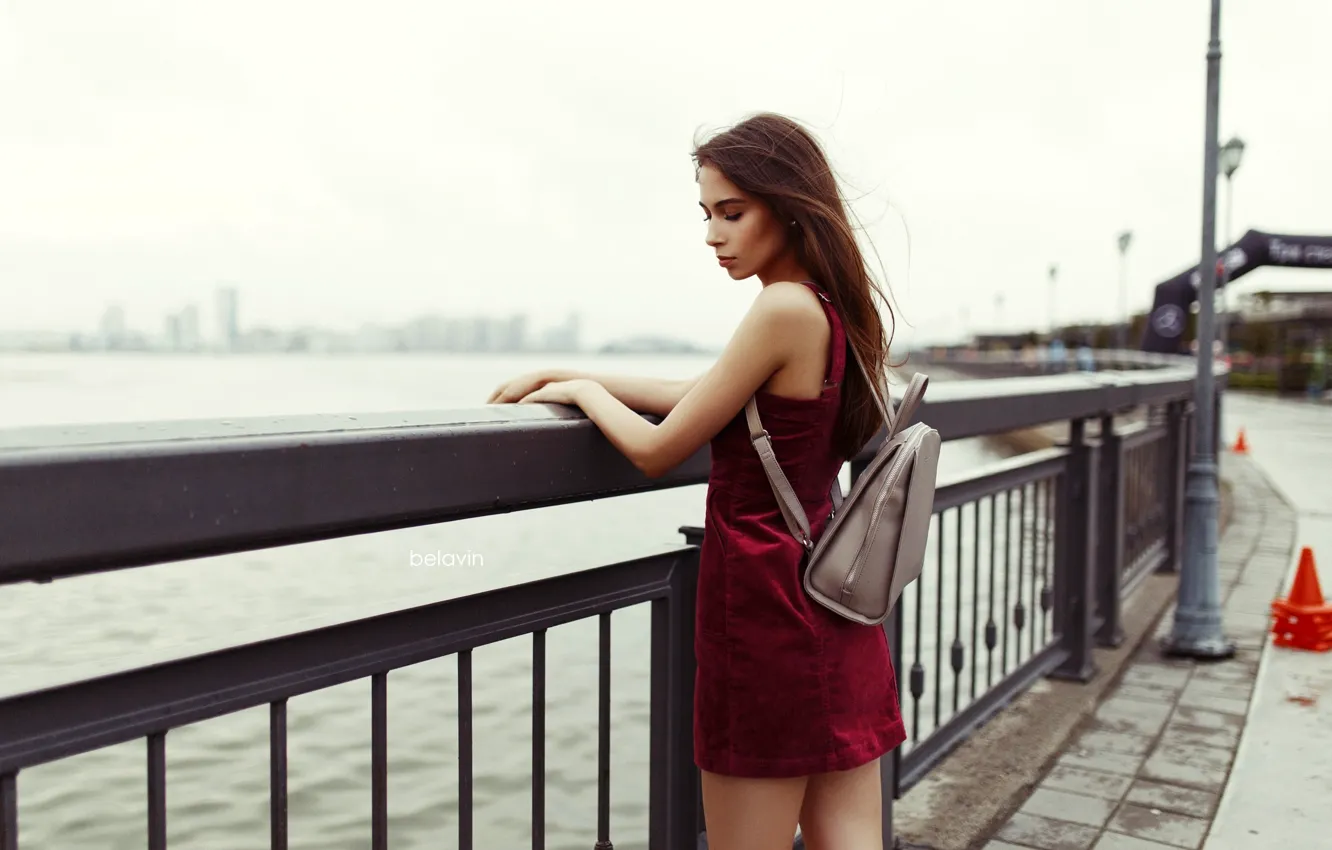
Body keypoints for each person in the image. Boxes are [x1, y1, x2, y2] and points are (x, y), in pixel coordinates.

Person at [487, 112, 906, 850]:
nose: (713, 234)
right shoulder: (832, 310)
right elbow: (711, 391)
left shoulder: (780, 307)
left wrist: (581, 396)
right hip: (835, 611)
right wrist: (575, 371)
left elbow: (656, 450)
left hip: (767, 619)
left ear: (788, 203)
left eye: (732, 213)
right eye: (707, 215)